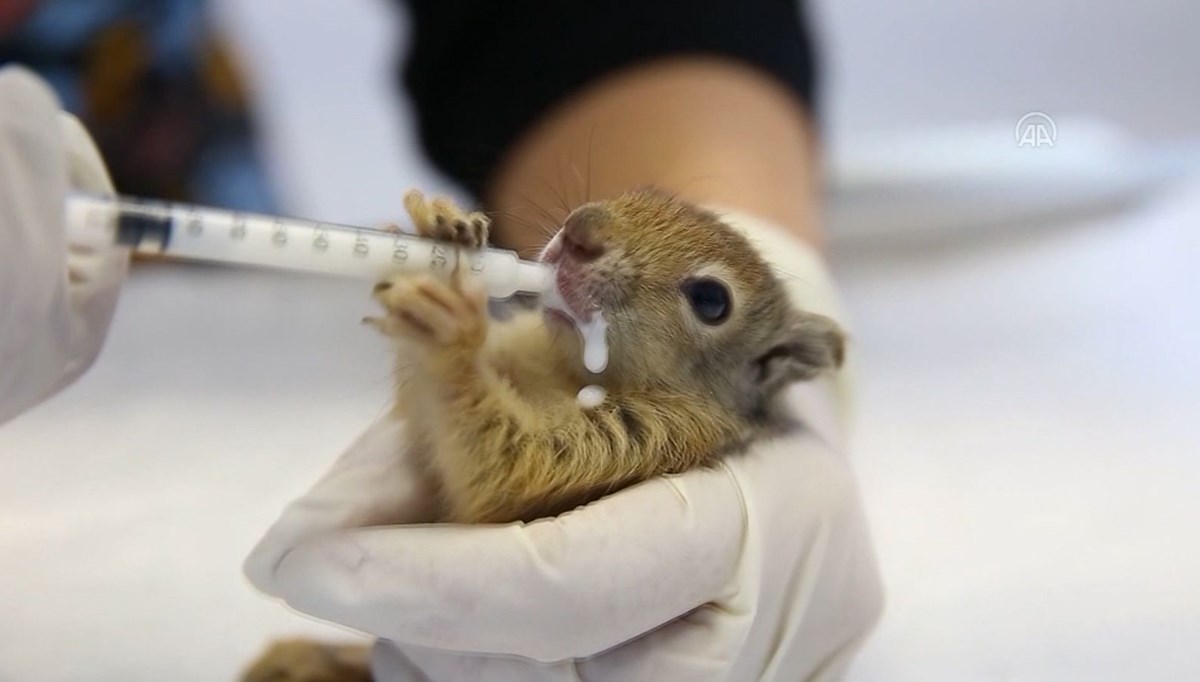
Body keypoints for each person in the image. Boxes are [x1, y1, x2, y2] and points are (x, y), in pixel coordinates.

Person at [0, 1, 884, 678]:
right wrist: (452, 344)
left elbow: (506, 471)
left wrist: (451, 344)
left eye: (705, 302)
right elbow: (487, 461)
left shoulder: (674, 426)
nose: (579, 233)